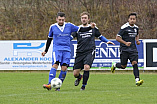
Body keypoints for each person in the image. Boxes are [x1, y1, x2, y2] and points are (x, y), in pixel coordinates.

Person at [42, 12, 96, 91]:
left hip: (66, 50)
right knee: (55, 65)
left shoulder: (69, 26)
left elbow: (81, 29)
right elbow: (49, 39)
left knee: (64, 68)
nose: (61, 21)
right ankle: (49, 84)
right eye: (59, 20)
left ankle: (58, 86)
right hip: (57, 49)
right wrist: (45, 50)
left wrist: (90, 28)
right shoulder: (53, 27)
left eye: (62, 20)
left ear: (65, 19)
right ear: (56, 19)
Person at [71, 12, 115, 90]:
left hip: (90, 51)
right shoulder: (77, 29)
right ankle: (80, 77)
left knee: (86, 67)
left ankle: (83, 86)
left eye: (85, 18)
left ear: (88, 19)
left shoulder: (93, 28)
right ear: (80, 19)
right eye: (82, 18)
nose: (84, 19)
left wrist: (107, 41)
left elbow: (100, 36)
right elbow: (71, 37)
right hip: (79, 52)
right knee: (75, 73)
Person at [110, 12, 144, 86]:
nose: (132, 20)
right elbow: (117, 38)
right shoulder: (124, 27)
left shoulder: (136, 28)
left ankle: (137, 80)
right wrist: (125, 43)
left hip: (133, 49)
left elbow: (137, 34)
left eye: (134, 19)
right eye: (131, 19)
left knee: (134, 63)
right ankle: (115, 65)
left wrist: (137, 40)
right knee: (123, 66)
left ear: (135, 20)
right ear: (128, 19)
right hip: (124, 49)